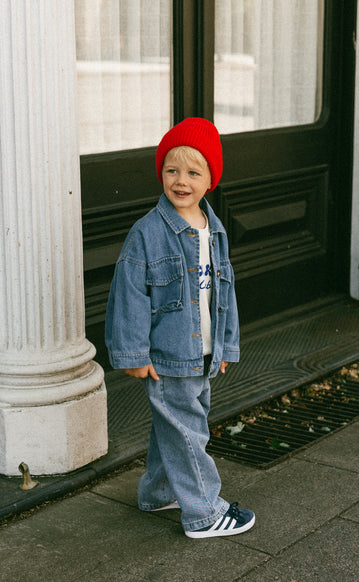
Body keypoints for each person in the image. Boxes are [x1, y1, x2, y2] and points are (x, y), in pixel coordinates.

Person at [105, 117, 255, 539]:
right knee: (189, 431)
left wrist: (226, 345)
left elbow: (223, 294)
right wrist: (133, 354)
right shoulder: (148, 234)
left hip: (203, 351)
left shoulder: (215, 230)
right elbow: (129, 294)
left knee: (174, 425)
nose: (181, 180)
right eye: (172, 170)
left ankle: (157, 493)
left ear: (211, 179)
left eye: (193, 172)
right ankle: (204, 512)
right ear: (161, 174)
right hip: (169, 353)